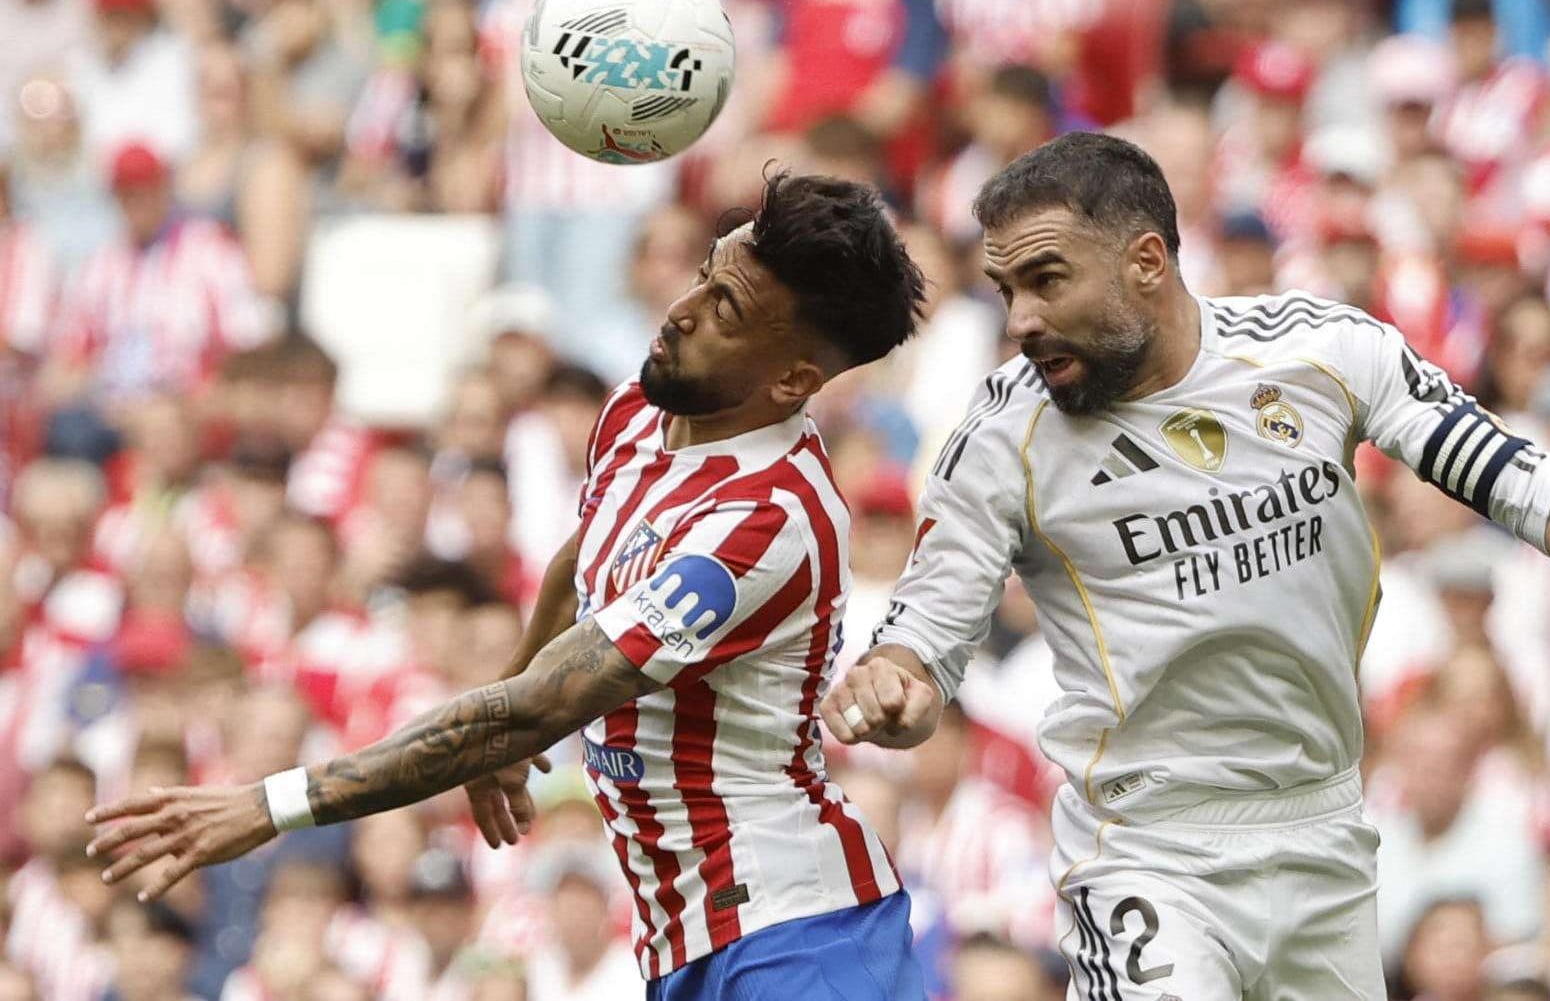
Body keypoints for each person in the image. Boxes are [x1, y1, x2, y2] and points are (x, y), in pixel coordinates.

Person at [827, 132, 1550, 1000]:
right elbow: (928, 635)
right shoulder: (1005, 433)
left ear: (1146, 261)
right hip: (1144, 842)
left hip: (1323, 826)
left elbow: (1516, 475)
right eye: (1006, 291)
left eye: (1047, 280)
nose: (1022, 320)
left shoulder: (1320, 351)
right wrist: (897, 685)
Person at [84, 173, 932, 1001]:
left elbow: (543, 705)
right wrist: (511, 706)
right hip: (692, 941)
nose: (683, 309)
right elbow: (588, 553)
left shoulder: (770, 518)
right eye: (706, 273)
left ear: (791, 381)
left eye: (726, 310)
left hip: (801, 938)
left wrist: (273, 803)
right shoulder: (642, 407)